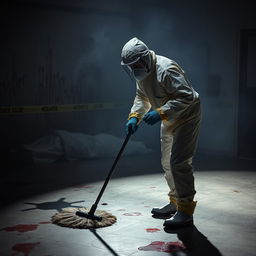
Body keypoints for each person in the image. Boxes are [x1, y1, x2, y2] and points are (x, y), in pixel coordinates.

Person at [121, 37, 201, 228]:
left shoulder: (166, 69)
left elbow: (187, 96)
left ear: (145, 57)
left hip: (187, 116)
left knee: (179, 163)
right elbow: (142, 96)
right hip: (169, 118)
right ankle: (175, 202)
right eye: (130, 66)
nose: (133, 68)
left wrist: (160, 112)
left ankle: (186, 211)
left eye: (135, 64)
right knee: (167, 162)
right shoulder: (143, 74)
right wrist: (134, 117)